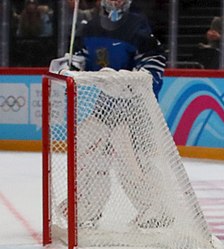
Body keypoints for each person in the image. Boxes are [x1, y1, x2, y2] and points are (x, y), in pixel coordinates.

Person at [48, 0, 169, 229]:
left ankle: (156, 210)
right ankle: (88, 209)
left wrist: (134, 80)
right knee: (90, 151)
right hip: (105, 104)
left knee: (130, 159)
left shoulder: (139, 26)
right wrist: (74, 65)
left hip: (134, 106)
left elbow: (154, 63)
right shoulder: (90, 27)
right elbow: (86, 59)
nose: (115, 2)